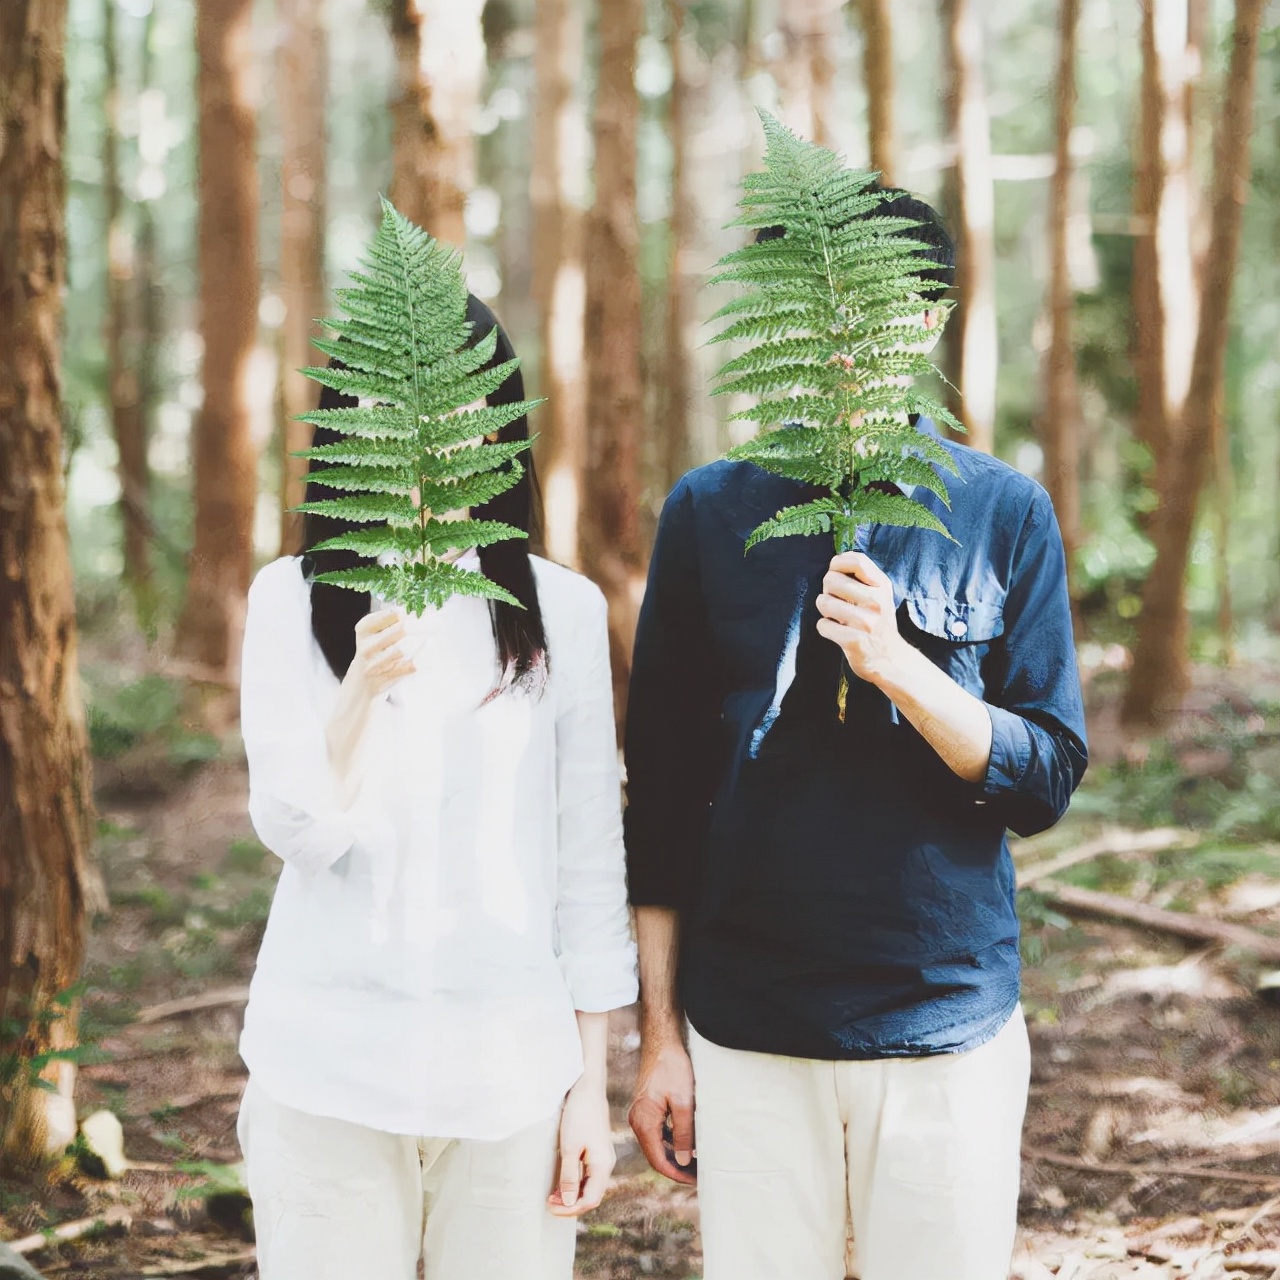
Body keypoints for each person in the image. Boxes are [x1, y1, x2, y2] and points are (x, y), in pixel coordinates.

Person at [624, 192, 1088, 1280]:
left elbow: (1045, 776)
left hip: (945, 1022)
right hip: (748, 1019)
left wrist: (896, 667)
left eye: (869, 311)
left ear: (926, 321)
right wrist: (657, 1040)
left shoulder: (1000, 508)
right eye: (810, 315)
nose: (836, 343)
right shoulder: (706, 511)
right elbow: (660, 797)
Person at [235, 294, 637, 1280]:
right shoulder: (292, 595)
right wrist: (362, 690)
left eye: (457, 406)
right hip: (327, 1065)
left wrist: (588, 1085)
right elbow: (296, 825)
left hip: (510, 1073)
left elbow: (587, 858)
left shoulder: (561, 610)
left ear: (496, 425)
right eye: (389, 403)